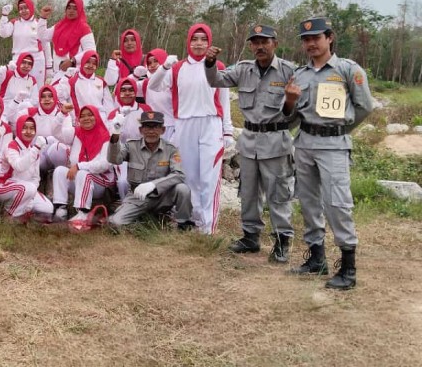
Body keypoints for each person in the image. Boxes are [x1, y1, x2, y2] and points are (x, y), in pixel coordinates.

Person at [283, 17, 374, 290]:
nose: (311, 43)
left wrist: (340, 129)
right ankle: (316, 258)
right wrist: (289, 101)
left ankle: (348, 266)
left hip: (334, 146)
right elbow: (290, 119)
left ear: (330, 38)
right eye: (306, 40)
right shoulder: (300, 75)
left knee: (337, 204)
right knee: (308, 202)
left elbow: (364, 107)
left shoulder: (347, 70)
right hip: (305, 143)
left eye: (316, 38)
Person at [205, 24, 297, 262]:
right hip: (248, 142)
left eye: (264, 41)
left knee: (278, 194)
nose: (259, 46)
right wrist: (210, 63)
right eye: (255, 43)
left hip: (276, 142)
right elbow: (216, 80)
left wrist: (287, 120)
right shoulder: (244, 69)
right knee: (248, 193)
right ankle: (250, 237)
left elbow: (300, 108)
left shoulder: (289, 71)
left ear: (275, 44)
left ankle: (281, 241)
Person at [147, 24, 234, 234]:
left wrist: (228, 130)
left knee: (209, 177)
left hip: (210, 123)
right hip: (184, 124)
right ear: (188, 41)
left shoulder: (218, 65)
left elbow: (224, 100)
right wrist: (165, 66)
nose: (199, 43)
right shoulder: (177, 68)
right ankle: (194, 219)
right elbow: (153, 85)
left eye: (203, 39)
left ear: (209, 42)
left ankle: (208, 227)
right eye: (195, 39)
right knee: (191, 177)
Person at [106, 111, 193, 229]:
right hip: (138, 197)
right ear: (141, 130)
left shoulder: (170, 149)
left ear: (163, 130)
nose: (151, 131)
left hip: (163, 196)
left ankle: (183, 224)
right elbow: (114, 159)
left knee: (182, 189)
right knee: (115, 223)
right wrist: (115, 133)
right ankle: (147, 218)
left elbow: (179, 174)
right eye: (147, 126)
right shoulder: (131, 146)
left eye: (156, 127)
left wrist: (154, 185)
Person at [52, 105, 117, 223]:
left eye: (90, 115)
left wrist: (79, 166)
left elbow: (104, 165)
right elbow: (55, 132)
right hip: (83, 179)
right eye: (82, 116)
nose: (86, 118)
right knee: (60, 171)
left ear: (96, 116)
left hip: (102, 182)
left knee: (83, 173)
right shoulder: (77, 133)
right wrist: (62, 114)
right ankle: (60, 209)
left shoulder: (106, 136)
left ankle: (83, 213)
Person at [0, 114, 54, 223]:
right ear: (19, 128)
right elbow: (19, 166)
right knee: (27, 188)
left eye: (31, 128)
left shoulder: (34, 151)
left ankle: (23, 211)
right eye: (24, 128)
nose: (28, 131)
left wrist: (29, 198)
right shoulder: (11, 146)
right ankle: (8, 216)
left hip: (26, 189)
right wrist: (36, 148)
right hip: (2, 187)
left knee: (47, 208)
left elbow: (36, 178)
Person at [107, 77, 152, 199]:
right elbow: (112, 141)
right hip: (123, 155)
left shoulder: (145, 109)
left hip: (144, 153)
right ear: (118, 93)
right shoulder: (113, 114)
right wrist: (120, 120)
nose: (127, 93)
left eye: (131, 90)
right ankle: (125, 207)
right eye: (123, 90)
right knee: (123, 182)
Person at [37, 0, 96, 81]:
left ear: (80, 10)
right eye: (69, 8)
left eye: (75, 8)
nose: (71, 11)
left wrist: (73, 61)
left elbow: (91, 51)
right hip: (58, 74)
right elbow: (42, 36)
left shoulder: (84, 28)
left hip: (75, 74)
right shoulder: (60, 26)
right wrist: (43, 18)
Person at [0, 0, 52, 84]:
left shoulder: (39, 23)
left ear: (31, 7)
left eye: (26, 8)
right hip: (18, 60)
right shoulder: (14, 23)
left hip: (37, 61)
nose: (23, 11)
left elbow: (46, 45)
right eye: (21, 8)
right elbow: (3, 33)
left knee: (36, 90)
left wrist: (49, 66)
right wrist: (4, 16)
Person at [0, 52, 39, 126]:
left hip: (21, 115)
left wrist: (24, 105)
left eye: (29, 64)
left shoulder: (32, 80)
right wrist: (6, 67)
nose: (26, 66)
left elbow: (35, 101)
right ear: (18, 62)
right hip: (4, 114)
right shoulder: (8, 74)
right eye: (23, 62)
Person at [56, 50, 115, 118]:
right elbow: (60, 97)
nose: (90, 66)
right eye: (88, 62)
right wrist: (71, 117)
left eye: (94, 63)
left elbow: (109, 105)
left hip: (99, 121)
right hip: (80, 123)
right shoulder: (72, 80)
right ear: (83, 62)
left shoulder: (101, 82)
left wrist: (109, 121)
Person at [141, 49, 175, 140]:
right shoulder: (145, 84)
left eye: (155, 61)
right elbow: (125, 87)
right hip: (153, 128)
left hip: (172, 127)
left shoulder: (173, 81)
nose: (152, 65)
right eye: (149, 63)